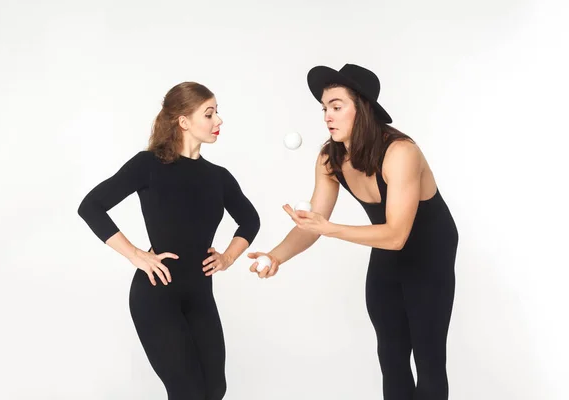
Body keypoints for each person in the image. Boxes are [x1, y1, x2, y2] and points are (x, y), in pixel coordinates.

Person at [248, 64, 458, 400]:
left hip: (428, 252)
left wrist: (330, 228)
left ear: (362, 110)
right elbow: (314, 224)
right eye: (324, 108)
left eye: (336, 106)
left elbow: (397, 235)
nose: (327, 116)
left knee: (429, 358)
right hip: (387, 248)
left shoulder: (401, 152)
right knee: (390, 356)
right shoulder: (330, 159)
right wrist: (276, 256)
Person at [78, 82, 260, 399]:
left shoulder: (218, 177)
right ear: (183, 121)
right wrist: (136, 254)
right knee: (187, 392)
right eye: (210, 113)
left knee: (214, 389)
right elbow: (91, 206)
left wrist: (228, 257)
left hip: (200, 296)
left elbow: (250, 219)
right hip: (156, 296)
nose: (219, 121)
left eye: (217, 112)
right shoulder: (148, 165)